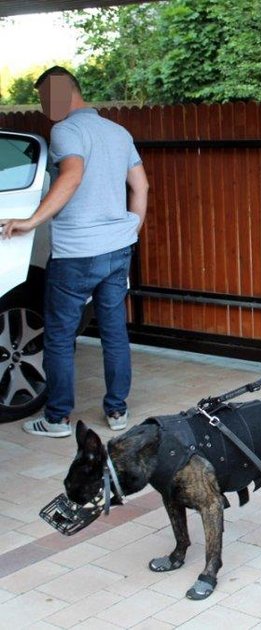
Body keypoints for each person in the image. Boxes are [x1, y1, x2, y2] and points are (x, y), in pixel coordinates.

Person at [0, 66, 149, 438]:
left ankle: (56, 419)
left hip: (77, 253)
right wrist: (131, 227)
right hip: (118, 249)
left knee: (59, 337)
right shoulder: (118, 132)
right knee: (115, 333)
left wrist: (32, 220)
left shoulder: (66, 130)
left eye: (43, 96)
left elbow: (72, 175)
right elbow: (141, 185)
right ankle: (117, 412)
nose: (42, 104)